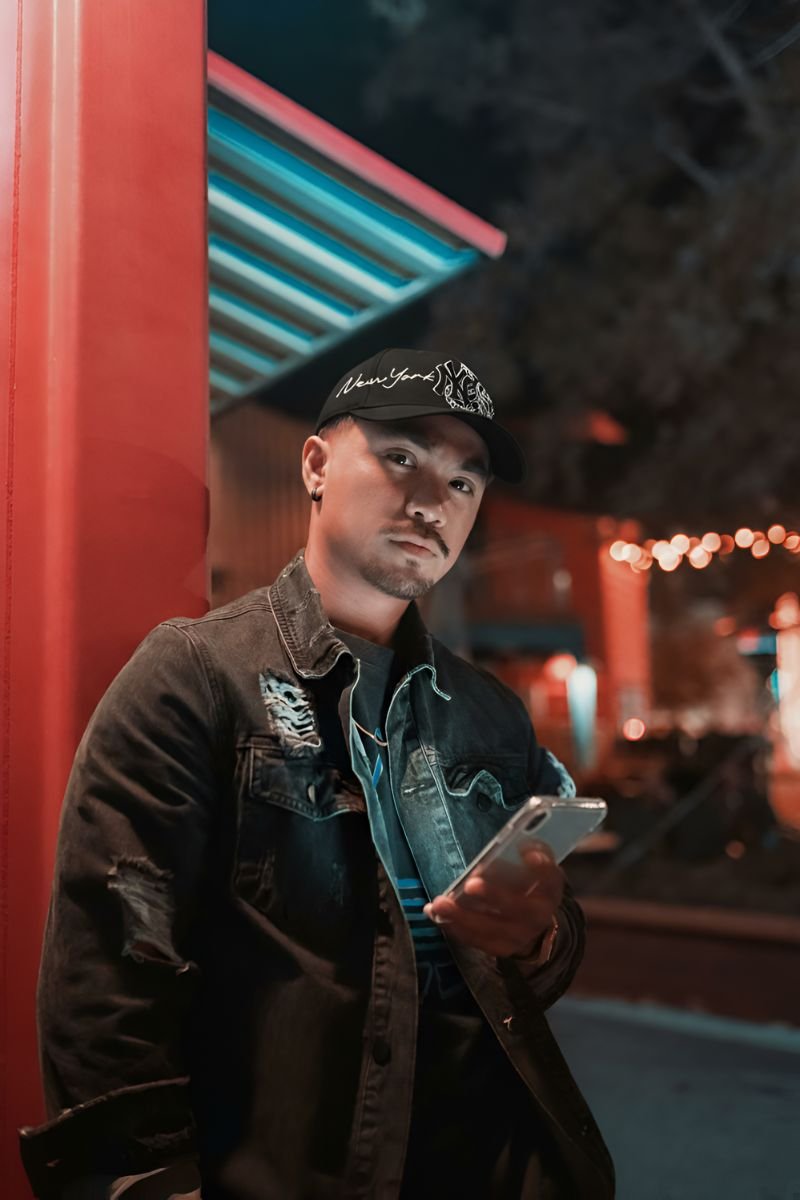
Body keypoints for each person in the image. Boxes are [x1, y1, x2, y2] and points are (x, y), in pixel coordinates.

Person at [19, 349, 615, 1200]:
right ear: (315, 465)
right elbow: (109, 980)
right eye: (402, 457)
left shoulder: (490, 713)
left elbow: (540, 958)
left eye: (462, 482)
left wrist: (539, 935)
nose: (431, 502)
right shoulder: (196, 677)